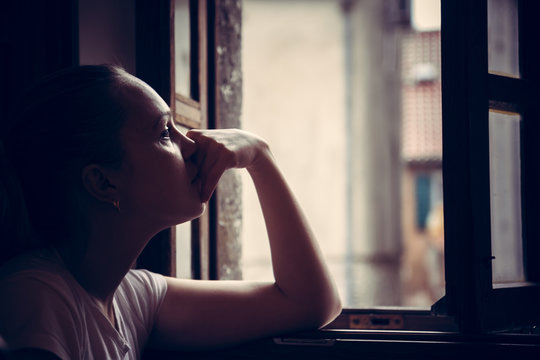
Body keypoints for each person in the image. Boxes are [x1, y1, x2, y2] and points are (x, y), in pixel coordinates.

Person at [0, 65, 341, 359]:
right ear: (103, 182)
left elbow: (308, 303)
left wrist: (260, 157)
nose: (192, 146)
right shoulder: (37, 296)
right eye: (165, 133)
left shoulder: (131, 297)